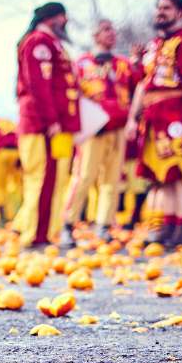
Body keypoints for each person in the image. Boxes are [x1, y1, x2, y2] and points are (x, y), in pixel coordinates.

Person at [125, 0, 182, 248]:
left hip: (175, 116)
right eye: (158, 7)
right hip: (152, 120)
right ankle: (168, 227)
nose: (160, 12)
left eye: (167, 8)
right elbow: (143, 85)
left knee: (178, 173)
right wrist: (132, 118)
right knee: (161, 177)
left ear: (180, 13)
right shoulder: (153, 46)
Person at [62, 19, 136, 239]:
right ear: (95, 35)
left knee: (112, 180)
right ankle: (68, 222)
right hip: (94, 128)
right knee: (84, 176)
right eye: (105, 30)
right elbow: (73, 93)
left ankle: (104, 224)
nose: (111, 33)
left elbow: (136, 88)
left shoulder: (123, 64)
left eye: (113, 29)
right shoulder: (82, 63)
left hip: (118, 128)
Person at [15, 2, 79, 246]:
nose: (66, 24)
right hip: (43, 126)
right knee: (40, 178)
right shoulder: (38, 42)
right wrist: (51, 120)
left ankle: (48, 231)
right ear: (54, 18)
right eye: (64, 18)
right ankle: (34, 233)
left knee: (59, 178)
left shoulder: (53, 44)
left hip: (62, 127)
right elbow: (38, 85)